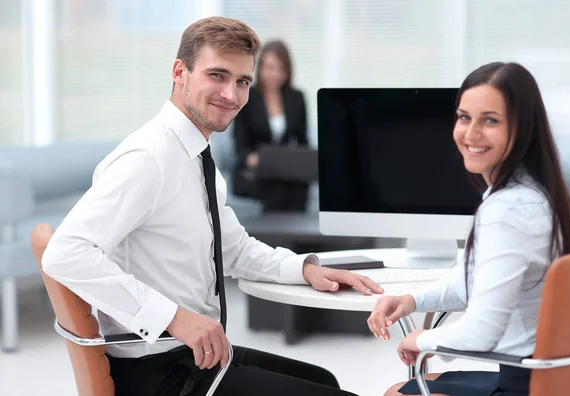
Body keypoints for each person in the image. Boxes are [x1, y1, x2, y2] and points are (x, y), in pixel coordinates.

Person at [42, 17, 383, 396]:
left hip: (195, 355)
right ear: (179, 72)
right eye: (217, 75)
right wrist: (174, 318)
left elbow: (233, 249)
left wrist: (305, 269)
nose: (232, 94)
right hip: (158, 372)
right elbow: (65, 253)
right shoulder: (149, 158)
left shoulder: (194, 153)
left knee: (323, 381)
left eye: (242, 81)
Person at [367, 62, 570, 396]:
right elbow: (474, 279)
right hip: (561, 378)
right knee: (406, 387)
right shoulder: (535, 193)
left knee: (396, 392)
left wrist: (422, 339)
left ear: (522, 128)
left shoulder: (508, 209)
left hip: (529, 383)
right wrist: (411, 300)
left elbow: (483, 331)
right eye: (464, 117)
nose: (471, 133)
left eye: (490, 120)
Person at [233, 40, 310, 212]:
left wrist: (298, 164)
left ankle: (297, 238)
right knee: (277, 189)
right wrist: (253, 159)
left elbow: (303, 143)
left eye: (281, 69)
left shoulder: (296, 98)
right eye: (269, 68)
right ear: (259, 69)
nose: (275, 74)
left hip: (284, 170)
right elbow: (240, 146)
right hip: (253, 170)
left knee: (299, 187)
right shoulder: (247, 97)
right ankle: (277, 238)